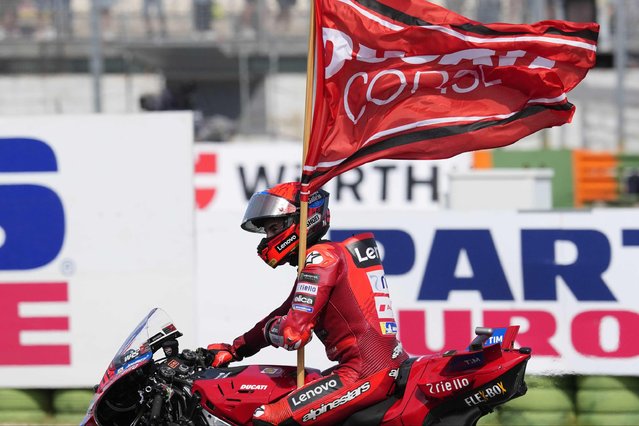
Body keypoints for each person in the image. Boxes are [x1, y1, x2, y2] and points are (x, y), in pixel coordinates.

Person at [208, 182, 408, 425]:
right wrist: (236, 349)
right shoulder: (332, 254)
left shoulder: (322, 257)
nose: (268, 239)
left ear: (302, 220)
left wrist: (272, 330)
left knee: (267, 418)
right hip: (374, 368)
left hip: (363, 372)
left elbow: (293, 333)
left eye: (273, 229)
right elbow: (286, 310)